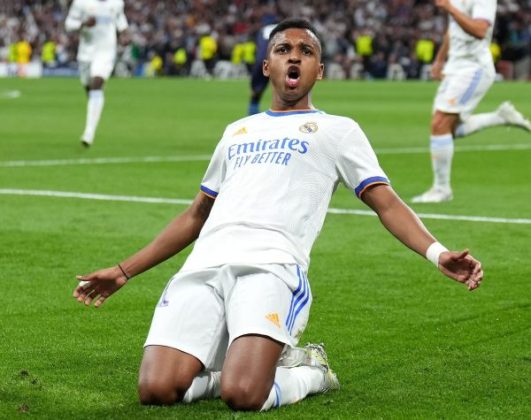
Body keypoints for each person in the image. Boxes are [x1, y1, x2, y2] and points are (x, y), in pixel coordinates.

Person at [73, 19, 483, 412]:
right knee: (156, 390)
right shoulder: (237, 131)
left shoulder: (338, 131)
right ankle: (230, 370)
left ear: (319, 70)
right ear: (267, 65)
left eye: (306, 51)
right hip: (204, 267)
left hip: (272, 269)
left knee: (244, 395)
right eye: (283, 49)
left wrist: (437, 253)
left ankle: (311, 371)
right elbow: (197, 214)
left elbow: (386, 203)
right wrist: (124, 271)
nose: (294, 56)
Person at [412, 0, 531, 203]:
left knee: (440, 124)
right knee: (447, 130)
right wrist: (440, 60)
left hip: (473, 69)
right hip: (455, 67)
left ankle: (441, 189)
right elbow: (453, 29)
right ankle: (500, 117)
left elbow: (480, 30)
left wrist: (450, 8)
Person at [65, 0, 129, 147]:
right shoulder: (81, 3)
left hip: (106, 51)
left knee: (97, 83)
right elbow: (69, 24)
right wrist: (83, 24)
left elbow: (121, 21)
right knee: (89, 88)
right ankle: (94, 110)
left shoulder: (116, 3)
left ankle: (89, 132)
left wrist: (125, 35)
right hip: (86, 52)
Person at [248, 21, 277, 115]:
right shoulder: (284, 29)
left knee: (257, 87)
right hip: (278, 60)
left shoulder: (262, 30)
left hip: (261, 61)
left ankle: (252, 109)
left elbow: (259, 47)